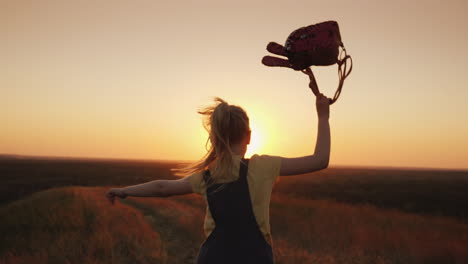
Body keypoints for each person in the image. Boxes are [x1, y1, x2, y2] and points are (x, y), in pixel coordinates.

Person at [106, 68, 331, 264]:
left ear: (214, 138)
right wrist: (323, 116)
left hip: (214, 257)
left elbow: (162, 188)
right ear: (249, 136)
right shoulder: (263, 166)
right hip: (255, 258)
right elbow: (319, 160)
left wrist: (125, 191)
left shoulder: (207, 177)